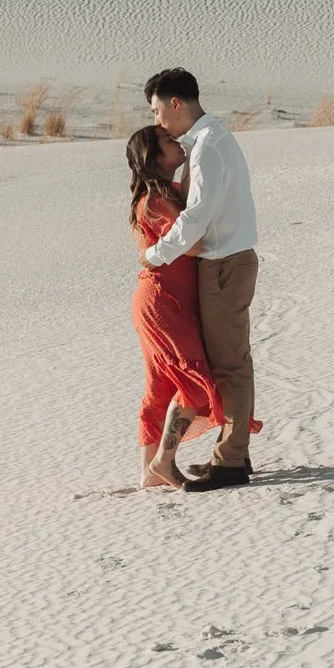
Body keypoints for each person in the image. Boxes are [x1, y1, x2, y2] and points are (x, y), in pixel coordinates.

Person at [140, 67, 259, 491]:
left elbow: (197, 217)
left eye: (157, 111)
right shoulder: (209, 141)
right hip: (224, 263)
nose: (156, 121)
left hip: (224, 265)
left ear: (175, 103)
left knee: (230, 365)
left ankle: (230, 463)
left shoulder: (208, 145)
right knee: (229, 362)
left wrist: (155, 254)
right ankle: (233, 454)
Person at [127, 124, 222, 489]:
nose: (176, 141)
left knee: (161, 387)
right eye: (168, 140)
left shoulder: (169, 193)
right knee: (194, 385)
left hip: (163, 300)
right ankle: (163, 462)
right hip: (161, 302)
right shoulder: (154, 200)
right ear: (154, 157)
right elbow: (191, 244)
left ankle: (149, 473)